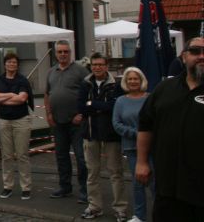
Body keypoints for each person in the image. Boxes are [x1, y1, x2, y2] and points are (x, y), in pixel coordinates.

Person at [137, 36, 204, 221]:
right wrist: (142, 162)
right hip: (168, 185)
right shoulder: (164, 89)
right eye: (195, 51)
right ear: (184, 56)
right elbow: (145, 125)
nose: (201, 56)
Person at [77, 53, 127, 220]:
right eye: (94, 65)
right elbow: (81, 107)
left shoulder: (116, 85)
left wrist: (92, 104)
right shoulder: (85, 84)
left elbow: (115, 106)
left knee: (116, 172)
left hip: (111, 134)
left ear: (106, 66)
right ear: (91, 66)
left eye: (100, 64)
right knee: (92, 172)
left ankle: (120, 208)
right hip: (91, 133)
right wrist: (101, 106)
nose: (97, 67)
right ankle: (94, 206)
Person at [44, 40, 89, 203]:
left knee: (81, 157)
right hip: (58, 122)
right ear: (55, 53)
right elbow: (47, 94)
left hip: (76, 123)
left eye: (66, 51)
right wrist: (49, 114)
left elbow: (89, 93)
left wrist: (81, 114)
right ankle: (65, 187)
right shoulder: (51, 72)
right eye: (60, 52)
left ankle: (85, 190)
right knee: (61, 156)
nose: (63, 54)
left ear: (70, 52)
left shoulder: (81, 71)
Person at [0, 52, 33, 201]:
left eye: (14, 62)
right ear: (5, 64)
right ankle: (7, 186)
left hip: (21, 120)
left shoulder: (22, 80)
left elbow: (22, 99)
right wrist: (10, 94)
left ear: (17, 65)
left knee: (22, 155)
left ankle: (26, 187)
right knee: (7, 156)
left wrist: (2, 98)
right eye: (9, 62)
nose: (11, 64)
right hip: (3, 120)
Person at [112, 67, 152, 222]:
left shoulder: (150, 98)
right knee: (137, 183)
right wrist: (137, 133)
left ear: (141, 80)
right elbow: (116, 123)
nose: (133, 81)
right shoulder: (121, 101)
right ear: (125, 81)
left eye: (136, 78)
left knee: (155, 183)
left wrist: (145, 135)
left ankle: (160, 213)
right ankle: (139, 216)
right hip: (131, 147)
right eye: (130, 79)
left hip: (151, 147)